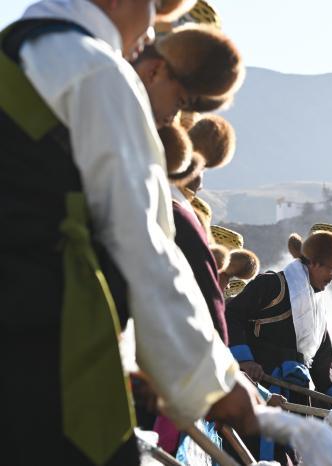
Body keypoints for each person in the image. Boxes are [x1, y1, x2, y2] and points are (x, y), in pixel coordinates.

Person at [0, 1, 259, 464]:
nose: (152, 28)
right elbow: (141, 247)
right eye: (153, 6)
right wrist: (213, 382)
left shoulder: (13, 54)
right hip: (48, 362)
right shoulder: (98, 72)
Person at [226, 223, 332, 462]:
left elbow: (323, 362)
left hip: (294, 401)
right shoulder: (271, 285)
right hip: (259, 391)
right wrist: (245, 360)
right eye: (331, 269)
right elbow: (231, 316)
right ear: (315, 263)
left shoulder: (317, 312)